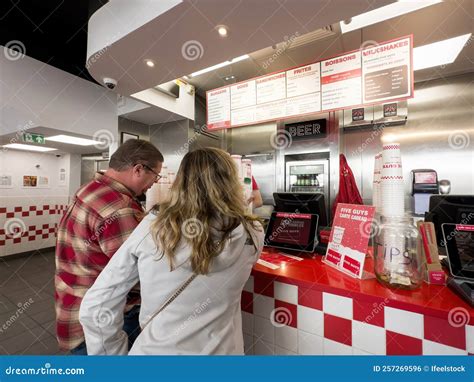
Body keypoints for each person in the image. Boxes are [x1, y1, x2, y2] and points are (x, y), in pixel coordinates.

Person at [79, 147, 264, 355]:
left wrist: (114, 357)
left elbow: (97, 306)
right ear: (232, 182)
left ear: (180, 182)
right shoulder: (253, 232)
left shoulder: (153, 227)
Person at [55, 139, 164, 355]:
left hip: (72, 307)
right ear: (139, 169)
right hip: (108, 319)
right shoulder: (120, 209)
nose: (154, 183)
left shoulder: (89, 190)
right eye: (156, 175)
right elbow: (141, 274)